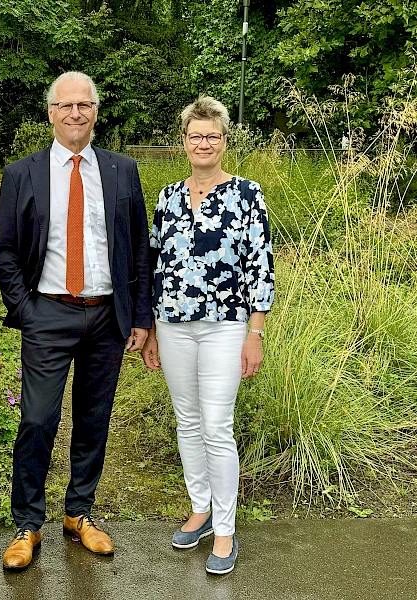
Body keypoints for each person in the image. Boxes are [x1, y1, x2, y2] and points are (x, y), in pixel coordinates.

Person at [0, 71, 151, 571]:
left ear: (96, 112)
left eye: (84, 105)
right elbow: (6, 252)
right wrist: (26, 310)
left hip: (106, 315)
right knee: (38, 418)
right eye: (65, 105)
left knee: (94, 419)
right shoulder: (23, 174)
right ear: (50, 113)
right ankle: (28, 522)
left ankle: (79, 512)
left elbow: (140, 249)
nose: (75, 113)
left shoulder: (123, 171)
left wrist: (140, 317)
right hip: (49, 314)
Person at [141, 96, 274, 575]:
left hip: (226, 325)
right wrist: (152, 328)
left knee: (217, 426)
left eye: (212, 136)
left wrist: (255, 331)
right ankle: (199, 508)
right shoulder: (168, 197)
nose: (203, 143)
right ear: (184, 141)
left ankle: (224, 530)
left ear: (223, 141)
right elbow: (155, 264)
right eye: (195, 135)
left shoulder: (246, 193)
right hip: (174, 325)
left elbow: (260, 263)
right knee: (187, 420)